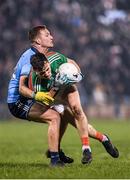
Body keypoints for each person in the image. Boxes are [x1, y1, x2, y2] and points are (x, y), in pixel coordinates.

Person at [7, 25, 118, 166]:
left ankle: (100, 139)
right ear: (37, 41)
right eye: (47, 35)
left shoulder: (50, 56)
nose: (51, 37)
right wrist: (37, 95)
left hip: (48, 93)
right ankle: (55, 160)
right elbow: (21, 88)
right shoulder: (30, 59)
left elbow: (70, 62)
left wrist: (77, 75)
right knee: (55, 117)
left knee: (71, 114)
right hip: (21, 100)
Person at [28, 52, 119, 162]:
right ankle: (103, 138)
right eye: (42, 73)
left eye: (47, 69)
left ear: (47, 62)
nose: (47, 74)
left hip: (67, 89)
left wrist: (78, 75)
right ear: (36, 71)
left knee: (77, 110)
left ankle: (86, 150)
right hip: (54, 99)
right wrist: (56, 86)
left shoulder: (56, 59)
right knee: (74, 123)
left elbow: (72, 63)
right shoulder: (36, 83)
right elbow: (47, 100)